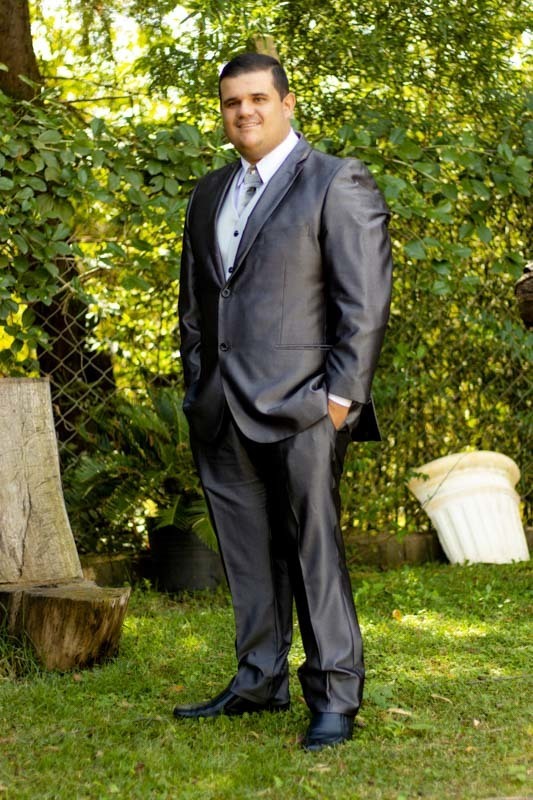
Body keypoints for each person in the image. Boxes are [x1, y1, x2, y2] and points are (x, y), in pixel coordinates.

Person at [174, 52, 393, 752]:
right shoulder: (209, 192)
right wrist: (197, 384)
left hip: (305, 407)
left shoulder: (335, 180)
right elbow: (195, 304)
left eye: (258, 98)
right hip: (221, 407)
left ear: (287, 102)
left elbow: (364, 303)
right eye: (232, 102)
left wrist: (339, 401)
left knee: (312, 552)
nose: (245, 111)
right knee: (246, 554)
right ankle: (258, 679)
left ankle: (335, 694)